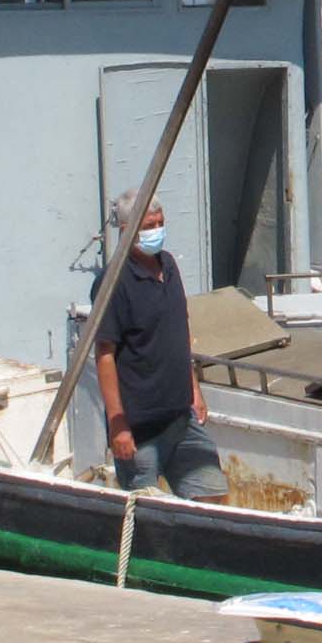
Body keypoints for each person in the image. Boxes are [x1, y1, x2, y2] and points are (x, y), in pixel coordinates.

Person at [93, 194, 228, 500]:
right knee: (144, 511)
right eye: (148, 226)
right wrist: (117, 423)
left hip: (181, 417)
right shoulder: (113, 281)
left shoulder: (168, 265)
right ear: (127, 230)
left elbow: (178, 333)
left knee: (211, 495)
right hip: (139, 428)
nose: (157, 231)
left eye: (160, 224)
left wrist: (194, 388)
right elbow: (105, 354)